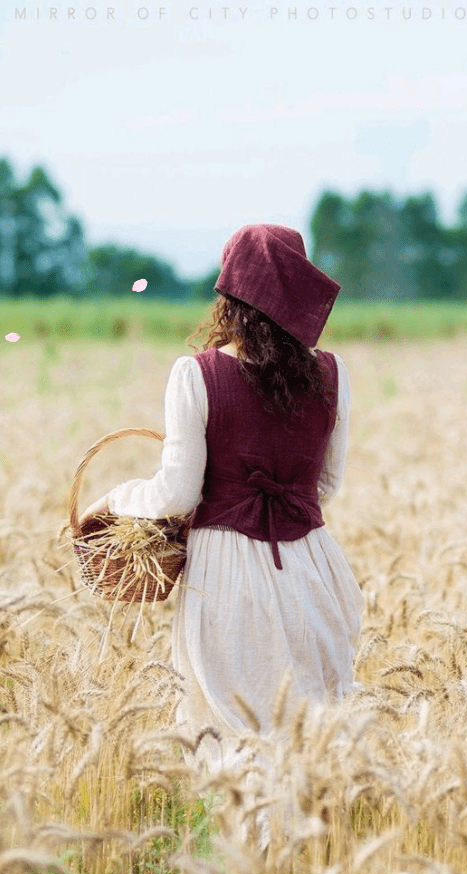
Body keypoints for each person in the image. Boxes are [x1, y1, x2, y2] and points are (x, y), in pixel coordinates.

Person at [79, 224, 365, 801]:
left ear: (230, 296)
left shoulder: (198, 374)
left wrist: (114, 499)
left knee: (237, 748)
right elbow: (326, 484)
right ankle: (302, 872)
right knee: (309, 746)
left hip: (228, 579)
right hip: (315, 572)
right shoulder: (333, 375)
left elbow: (177, 494)